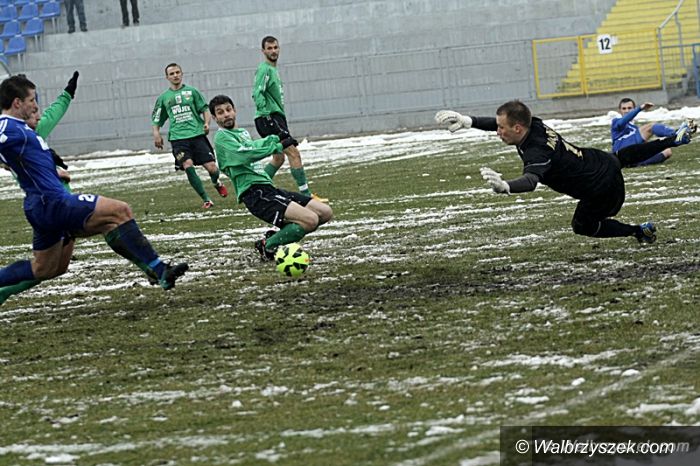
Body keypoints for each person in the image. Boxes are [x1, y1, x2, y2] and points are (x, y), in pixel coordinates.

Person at [0, 75, 188, 305]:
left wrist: (52, 171)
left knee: (45, 268)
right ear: (17, 102)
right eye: (31, 100)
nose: (35, 106)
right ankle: (159, 270)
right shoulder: (8, 127)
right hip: (52, 203)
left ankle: (156, 270)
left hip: (41, 205)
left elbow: (19, 162)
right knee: (119, 211)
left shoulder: (20, 128)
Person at [435, 100, 694, 244]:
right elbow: (499, 122)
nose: (497, 131)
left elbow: (531, 180)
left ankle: (638, 231)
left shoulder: (536, 150)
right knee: (620, 157)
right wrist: (469, 121)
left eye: (502, 128)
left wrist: (507, 187)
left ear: (517, 129)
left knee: (582, 226)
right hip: (595, 159)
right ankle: (674, 139)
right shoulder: (533, 124)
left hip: (601, 188)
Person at [209, 94, 332, 260]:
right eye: (220, 112)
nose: (226, 114)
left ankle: (274, 237)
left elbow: (256, 154)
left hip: (267, 189)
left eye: (228, 109)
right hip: (255, 195)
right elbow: (247, 154)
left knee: (325, 212)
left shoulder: (243, 133)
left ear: (235, 110)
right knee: (310, 220)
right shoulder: (222, 138)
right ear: (214, 118)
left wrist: (277, 145)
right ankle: (267, 246)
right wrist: (277, 144)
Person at [252, 36, 326, 202]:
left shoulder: (273, 70)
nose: (273, 51)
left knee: (279, 158)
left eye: (275, 47)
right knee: (294, 153)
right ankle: (307, 197)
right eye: (269, 48)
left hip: (274, 117)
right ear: (263, 51)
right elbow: (257, 93)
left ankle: (256, 189)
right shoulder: (265, 69)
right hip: (269, 118)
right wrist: (267, 116)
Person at [152, 63, 228, 209]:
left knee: (212, 168)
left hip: (197, 135)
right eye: (172, 73)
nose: (175, 75)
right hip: (178, 138)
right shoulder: (164, 98)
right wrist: (156, 133)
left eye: (177, 72)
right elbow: (157, 118)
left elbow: (205, 109)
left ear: (182, 74)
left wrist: (206, 123)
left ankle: (216, 182)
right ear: (167, 77)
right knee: (187, 165)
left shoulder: (192, 92)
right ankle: (206, 199)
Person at [611, 98, 679, 167]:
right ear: (620, 111)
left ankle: (636, 163)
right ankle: (676, 134)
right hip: (621, 154)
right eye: (624, 108)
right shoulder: (616, 122)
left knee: (667, 151)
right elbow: (622, 122)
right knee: (650, 127)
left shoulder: (634, 128)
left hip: (634, 154)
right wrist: (640, 108)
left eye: (629, 108)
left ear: (633, 109)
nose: (627, 111)